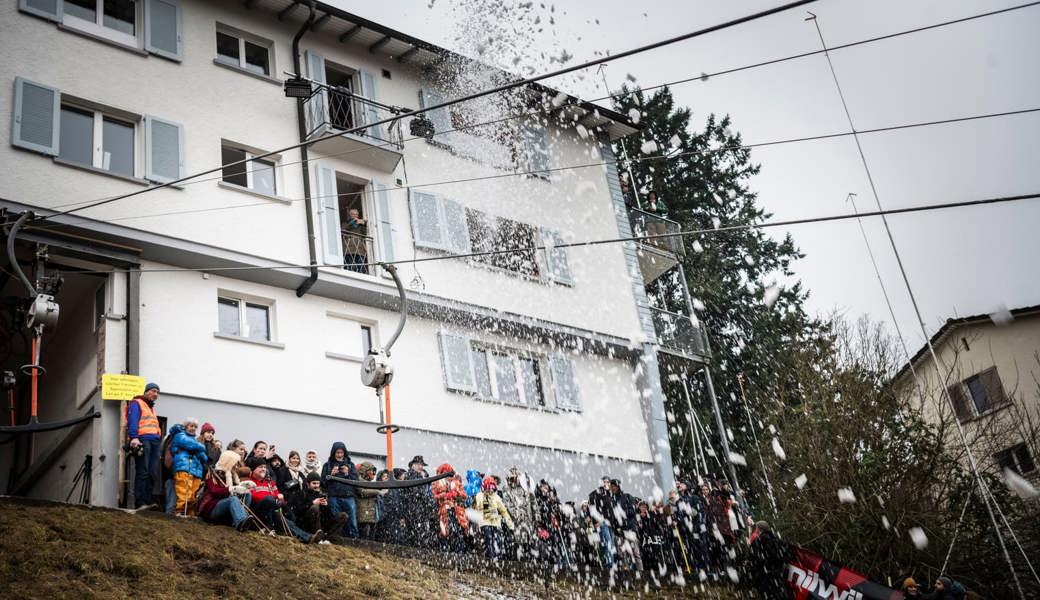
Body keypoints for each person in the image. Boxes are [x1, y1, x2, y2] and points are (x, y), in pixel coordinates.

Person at [246, 456, 321, 543]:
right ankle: (304, 536)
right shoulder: (249, 481)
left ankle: (307, 537)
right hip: (258, 513)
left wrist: (280, 501)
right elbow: (254, 496)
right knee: (269, 500)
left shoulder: (270, 483)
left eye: (264, 467)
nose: (263, 469)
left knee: (283, 515)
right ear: (253, 469)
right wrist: (276, 498)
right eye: (260, 467)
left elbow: (279, 497)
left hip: (273, 511)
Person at [198, 450, 258, 530]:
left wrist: (243, 486)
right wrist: (232, 489)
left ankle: (240, 521)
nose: (236, 466)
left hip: (224, 507)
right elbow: (214, 490)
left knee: (247, 493)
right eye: (235, 463)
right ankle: (240, 521)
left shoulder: (232, 475)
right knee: (233, 499)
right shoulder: (212, 474)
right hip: (211, 508)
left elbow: (236, 490)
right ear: (228, 462)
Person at [126, 382, 162, 508]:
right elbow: (133, 421)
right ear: (146, 391)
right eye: (153, 391)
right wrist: (134, 437)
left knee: (152, 472)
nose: (155, 394)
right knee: (143, 471)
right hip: (143, 440)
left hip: (154, 442)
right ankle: (140, 502)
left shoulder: (151, 407)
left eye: (157, 392)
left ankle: (146, 501)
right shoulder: (137, 403)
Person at [169, 418, 209, 516]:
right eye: (191, 426)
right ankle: (179, 511)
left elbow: (204, 457)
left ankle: (190, 514)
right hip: (184, 467)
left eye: (195, 427)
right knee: (184, 491)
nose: (193, 428)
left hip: (196, 471)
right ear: (186, 426)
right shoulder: (180, 435)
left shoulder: (194, 441)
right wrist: (201, 447)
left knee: (193, 495)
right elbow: (190, 444)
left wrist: (198, 448)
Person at [289, 472, 348, 537]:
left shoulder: (320, 495)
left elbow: (329, 516)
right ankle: (317, 536)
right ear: (308, 484)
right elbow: (297, 511)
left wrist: (326, 506)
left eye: (318, 483)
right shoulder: (301, 494)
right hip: (306, 524)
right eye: (314, 483)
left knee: (343, 516)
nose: (316, 485)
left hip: (322, 524)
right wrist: (312, 503)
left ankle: (329, 538)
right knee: (315, 507)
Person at [321, 442, 359, 539]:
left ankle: (354, 540)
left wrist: (347, 473)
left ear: (344, 453)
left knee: (352, 521)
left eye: (341, 453)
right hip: (334, 497)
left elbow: (356, 482)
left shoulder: (351, 465)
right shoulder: (327, 465)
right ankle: (336, 538)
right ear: (333, 453)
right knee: (336, 519)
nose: (339, 455)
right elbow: (323, 483)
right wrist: (331, 474)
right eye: (337, 452)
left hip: (349, 497)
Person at [746, 521, 790, 600]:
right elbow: (786, 554)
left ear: (758, 529)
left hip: (764, 575)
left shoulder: (758, 541)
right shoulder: (777, 540)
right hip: (776, 574)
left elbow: (753, 558)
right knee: (780, 594)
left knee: (768, 594)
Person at [472, 475, 514, 559]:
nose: (490, 490)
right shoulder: (479, 496)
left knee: (497, 541)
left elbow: (503, 511)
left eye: (492, 488)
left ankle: (497, 559)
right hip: (485, 522)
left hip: (496, 523)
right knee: (488, 540)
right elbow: (478, 507)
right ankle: (489, 559)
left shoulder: (497, 497)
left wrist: (510, 523)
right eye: (488, 488)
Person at [431, 463, 469, 551]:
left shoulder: (456, 483)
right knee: (444, 532)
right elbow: (433, 496)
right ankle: (445, 551)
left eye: (449, 472)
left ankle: (459, 551)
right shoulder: (436, 483)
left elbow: (464, 495)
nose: (448, 475)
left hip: (456, 511)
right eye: (445, 472)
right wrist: (445, 495)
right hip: (443, 511)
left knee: (458, 530)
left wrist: (457, 494)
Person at [502, 468, 536, 561]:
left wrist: (535, 516)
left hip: (527, 521)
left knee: (529, 542)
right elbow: (508, 505)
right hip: (516, 521)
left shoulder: (525, 488)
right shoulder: (507, 490)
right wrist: (516, 514)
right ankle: (518, 562)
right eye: (511, 478)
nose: (513, 480)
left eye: (515, 478)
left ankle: (529, 561)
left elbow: (532, 503)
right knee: (517, 542)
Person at [610, 479, 642, 572]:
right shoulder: (612, 500)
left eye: (614, 486)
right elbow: (612, 516)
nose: (613, 488)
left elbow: (633, 511)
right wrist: (615, 527)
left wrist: (621, 513)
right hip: (620, 531)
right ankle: (626, 573)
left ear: (618, 486)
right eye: (612, 487)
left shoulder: (627, 496)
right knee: (622, 554)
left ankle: (641, 573)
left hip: (630, 529)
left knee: (635, 553)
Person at [588, 476, 618, 569]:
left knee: (611, 544)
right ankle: (608, 565)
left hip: (610, 524)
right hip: (602, 522)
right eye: (605, 482)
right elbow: (592, 507)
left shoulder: (611, 495)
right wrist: (596, 520)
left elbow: (614, 511)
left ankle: (612, 565)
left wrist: (616, 525)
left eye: (608, 482)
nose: (607, 484)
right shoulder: (597, 493)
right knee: (607, 543)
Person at [637, 501, 668, 583]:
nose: (643, 508)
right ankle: (649, 574)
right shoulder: (638, 517)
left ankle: (660, 572)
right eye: (641, 506)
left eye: (644, 506)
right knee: (646, 555)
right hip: (645, 538)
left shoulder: (651, 514)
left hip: (654, 537)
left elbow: (657, 523)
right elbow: (639, 529)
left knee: (657, 554)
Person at [356, 461, 383, 540]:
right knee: (364, 534)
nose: (373, 473)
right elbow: (361, 492)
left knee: (371, 535)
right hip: (364, 512)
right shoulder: (358, 481)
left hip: (371, 513)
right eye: (371, 470)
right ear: (365, 471)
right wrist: (378, 492)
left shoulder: (370, 483)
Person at [342, 208, 368, 274]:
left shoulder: (360, 225)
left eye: (356, 214)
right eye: (353, 214)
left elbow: (364, 234)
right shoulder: (345, 223)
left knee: (360, 267)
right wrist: (352, 223)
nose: (355, 216)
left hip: (360, 249)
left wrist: (364, 224)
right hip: (349, 249)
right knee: (351, 268)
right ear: (350, 215)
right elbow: (343, 230)